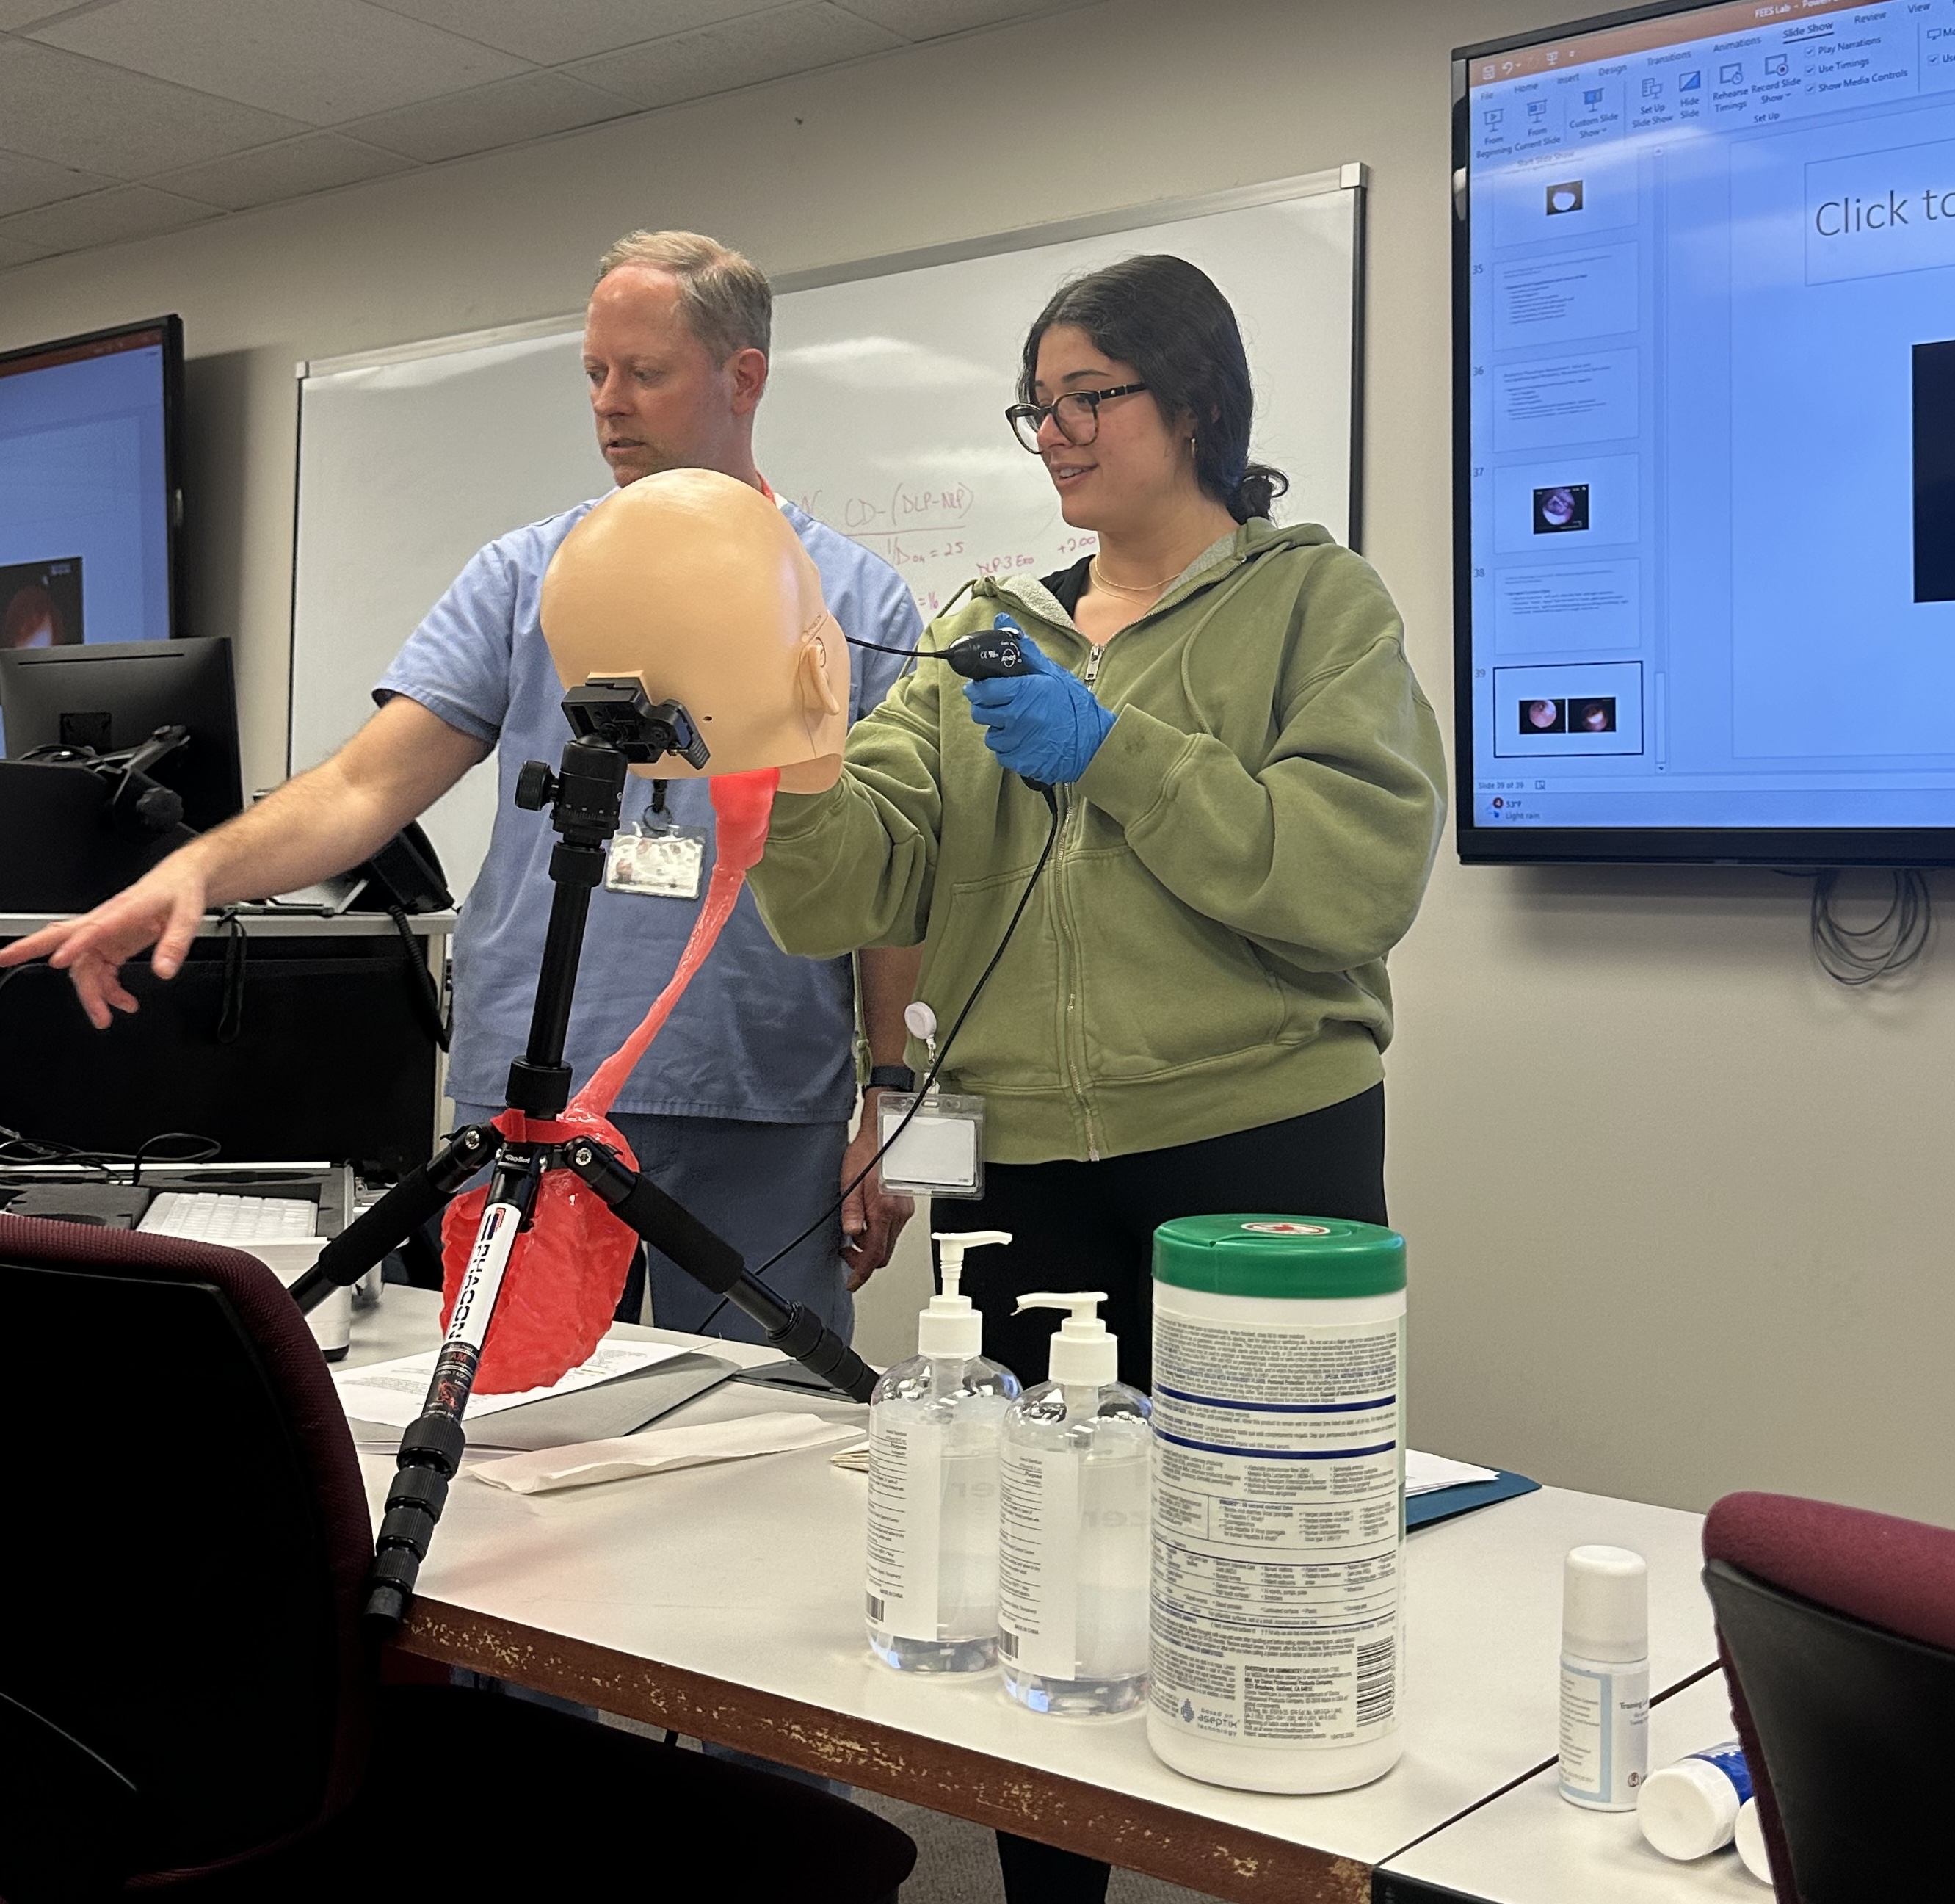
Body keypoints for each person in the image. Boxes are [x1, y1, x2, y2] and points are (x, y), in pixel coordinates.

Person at [744, 253, 1447, 1904]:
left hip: (1256, 1140)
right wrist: (776, 771)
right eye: (1034, 405)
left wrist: (1116, 753)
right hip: (1027, 1165)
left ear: (1189, 399)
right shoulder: (984, 627)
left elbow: (1348, 878)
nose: (1052, 432)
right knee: (1027, 1566)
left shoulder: (1311, 606)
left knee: (1260, 1566)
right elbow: (868, 883)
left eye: (1087, 397)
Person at [0, 229, 922, 1337]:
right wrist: (196, 867)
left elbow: (893, 883)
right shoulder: (525, 577)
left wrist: (892, 1098)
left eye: (645, 373)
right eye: (594, 372)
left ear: (744, 376)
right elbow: (361, 788)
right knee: (503, 1420)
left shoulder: (859, 602)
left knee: (757, 1430)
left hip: (758, 1092)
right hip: (532, 1083)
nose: (609, 404)